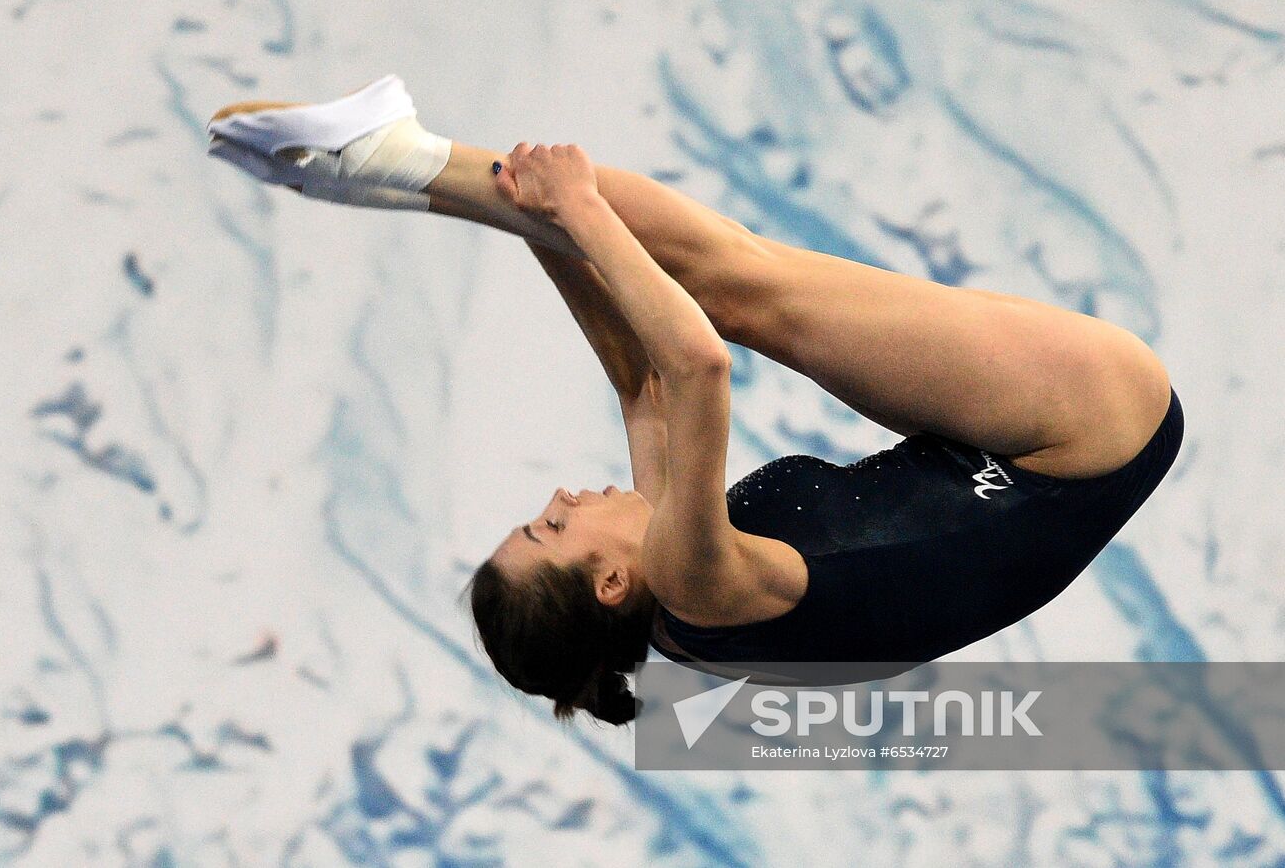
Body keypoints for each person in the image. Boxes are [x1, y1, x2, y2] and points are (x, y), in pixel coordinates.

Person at [207, 75, 1182, 726]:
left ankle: (403, 172)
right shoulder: (696, 583)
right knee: (744, 294)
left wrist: (535, 230)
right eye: (550, 527)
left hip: (1000, 451)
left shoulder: (674, 607)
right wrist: (573, 206)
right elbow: (693, 364)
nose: (563, 498)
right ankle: (397, 159)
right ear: (606, 583)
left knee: (729, 284)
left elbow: (638, 381)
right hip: (1085, 428)